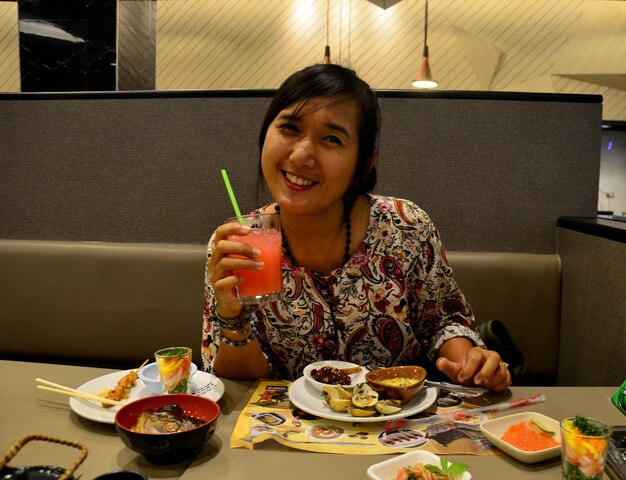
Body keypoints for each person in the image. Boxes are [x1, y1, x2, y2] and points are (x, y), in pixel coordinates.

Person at [202, 63, 511, 392]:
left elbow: (443, 322)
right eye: (290, 128)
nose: (302, 154)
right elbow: (243, 386)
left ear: (363, 165)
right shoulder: (237, 245)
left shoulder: (405, 226)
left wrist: (470, 364)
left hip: (399, 430)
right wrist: (231, 316)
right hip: (291, 434)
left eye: (331, 138)